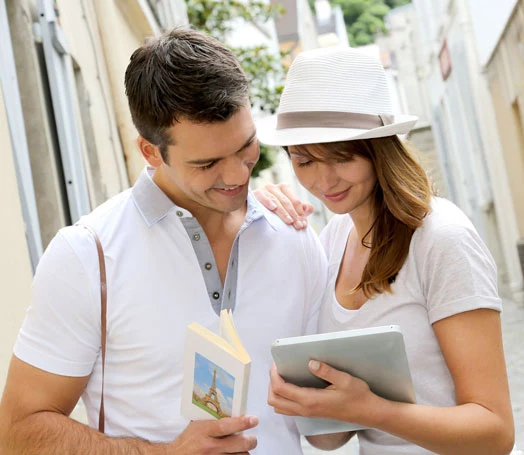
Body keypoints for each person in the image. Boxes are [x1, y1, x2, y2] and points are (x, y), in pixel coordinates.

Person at [0, 28, 327, 455]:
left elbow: (328, 432)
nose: (237, 176)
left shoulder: (296, 237)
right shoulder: (87, 255)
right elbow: (18, 431)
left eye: (246, 147)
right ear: (150, 152)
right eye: (207, 163)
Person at [255, 47, 517, 455]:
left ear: (379, 149)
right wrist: (307, 400)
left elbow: (495, 431)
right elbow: (332, 436)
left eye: (341, 156)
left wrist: (373, 410)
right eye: (304, 161)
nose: (324, 180)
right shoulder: (332, 239)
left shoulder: (441, 239)